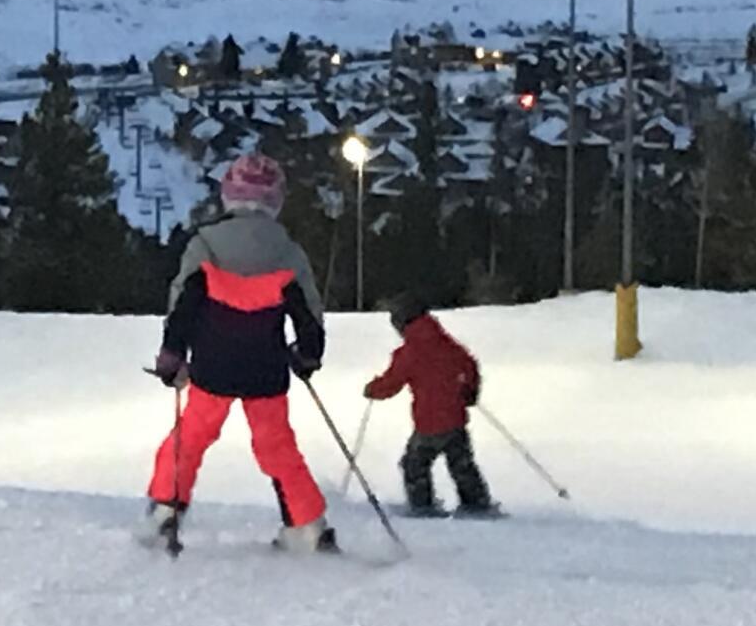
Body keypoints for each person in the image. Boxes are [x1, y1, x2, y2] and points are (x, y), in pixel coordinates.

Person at [145, 152, 335, 553]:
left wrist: (172, 355)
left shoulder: (205, 245)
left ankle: (166, 510)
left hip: (213, 365)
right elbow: (308, 312)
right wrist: (307, 355)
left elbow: (183, 304)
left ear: (228, 194)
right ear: (276, 200)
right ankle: (306, 526)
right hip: (266, 369)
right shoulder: (288, 253)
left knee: (190, 437)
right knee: (277, 446)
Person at [362, 294, 498, 518]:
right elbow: (470, 365)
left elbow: (391, 383)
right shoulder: (448, 344)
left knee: (414, 464)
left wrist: (373, 389)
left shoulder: (408, 353)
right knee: (462, 465)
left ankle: (422, 507)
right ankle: (477, 504)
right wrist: (470, 391)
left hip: (428, 423)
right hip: (455, 419)